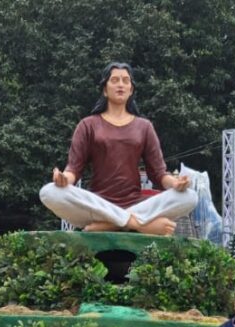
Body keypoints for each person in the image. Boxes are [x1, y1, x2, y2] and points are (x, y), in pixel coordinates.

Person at [39, 62, 197, 236]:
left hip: (138, 204)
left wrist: (176, 183)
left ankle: (110, 223)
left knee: (190, 197)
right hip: (97, 204)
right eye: (114, 80)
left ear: (131, 90)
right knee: (49, 192)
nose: (120, 84)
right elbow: (74, 169)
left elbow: (158, 174)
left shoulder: (144, 127)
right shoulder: (88, 125)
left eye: (125, 80)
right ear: (105, 89)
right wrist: (63, 179)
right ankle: (134, 223)